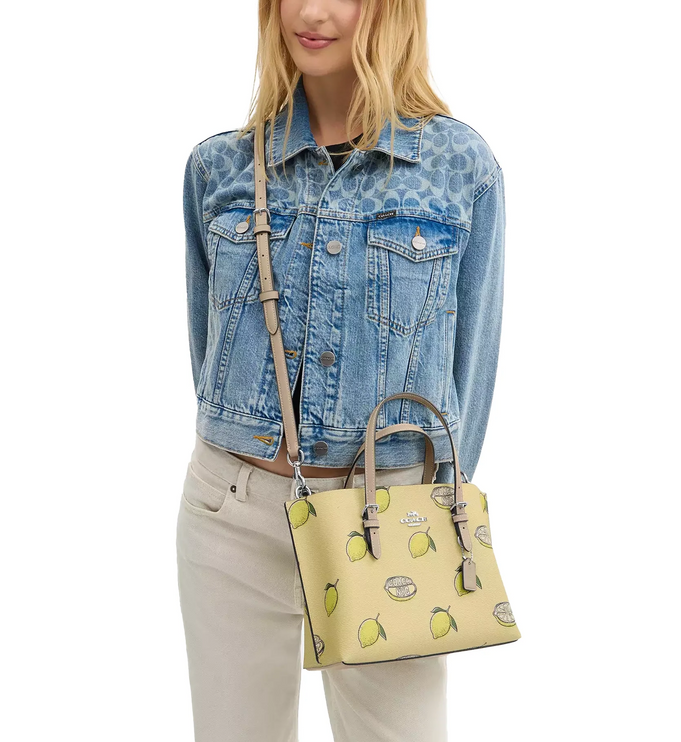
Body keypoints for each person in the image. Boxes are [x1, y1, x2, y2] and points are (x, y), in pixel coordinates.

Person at [176, 1, 506, 739]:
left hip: (387, 518)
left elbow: (471, 374)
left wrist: (433, 514)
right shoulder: (218, 167)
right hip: (231, 513)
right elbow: (208, 360)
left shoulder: (459, 169)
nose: (311, 12)